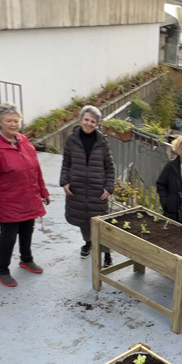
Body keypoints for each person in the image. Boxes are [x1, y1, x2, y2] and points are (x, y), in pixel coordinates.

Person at [0, 102, 51, 288]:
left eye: (16, 121)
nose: (13, 124)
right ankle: (2, 270)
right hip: (6, 201)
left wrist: (43, 190)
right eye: (9, 121)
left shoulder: (23, 141)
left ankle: (26, 259)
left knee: (27, 230)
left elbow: (35, 169)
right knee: (8, 236)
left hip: (27, 197)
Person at [60, 105, 116, 268]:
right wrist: (64, 181)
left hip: (97, 191)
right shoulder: (72, 139)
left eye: (93, 121)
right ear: (81, 120)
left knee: (101, 225)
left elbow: (109, 166)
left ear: (97, 123)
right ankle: (88, 243)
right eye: (86, 119)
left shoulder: (102, 141)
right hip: (76, 190)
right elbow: (66, 163)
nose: (89, 123)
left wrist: (109, 187)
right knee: (83, 221)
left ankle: (106, 253)